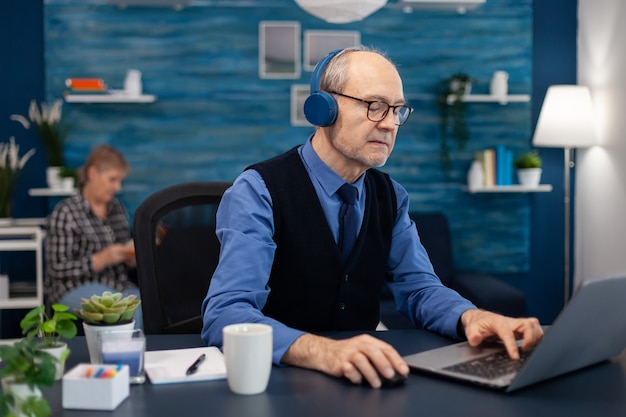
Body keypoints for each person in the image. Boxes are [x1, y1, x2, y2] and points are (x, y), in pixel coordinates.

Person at [201, 46, 543, 389]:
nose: (390, 124)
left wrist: (472, 316)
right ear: (323, 109)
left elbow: (420, 289)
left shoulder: (391, 196)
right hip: (276, 381)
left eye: (397, 110)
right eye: (374, 106)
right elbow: (226, 314)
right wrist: (322, 351)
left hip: (363, 381)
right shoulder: (258, 190)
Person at [44, 144, 142, 329]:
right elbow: (57, 269)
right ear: (92, 173)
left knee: (150, 306)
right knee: (127, 311)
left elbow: (122, 250)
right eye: (113, 179)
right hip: (73, 287)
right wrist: (101, 259)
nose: (117, 187)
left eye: (120, 181)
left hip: (116, 285)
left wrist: (130, 257)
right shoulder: (66, 212)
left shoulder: (117, 208)